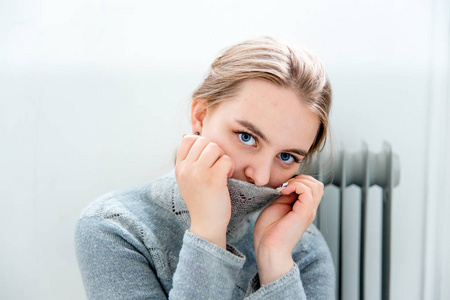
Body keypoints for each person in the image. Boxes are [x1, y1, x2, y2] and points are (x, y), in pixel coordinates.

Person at [75, 36, 335, 299]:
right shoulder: (114, 227)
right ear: (200, 116)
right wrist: (208, 231)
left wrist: (274, 260)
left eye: (287, 156)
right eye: (247, 137)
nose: (261, 177)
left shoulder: (302, 248)